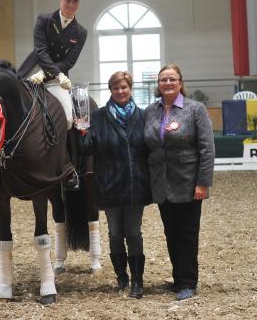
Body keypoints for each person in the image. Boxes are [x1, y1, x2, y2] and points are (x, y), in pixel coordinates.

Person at [77, 71, 151, 298]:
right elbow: (87, 148)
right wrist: (81, 131)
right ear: (111, 90)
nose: (121, 91)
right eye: (116, 88)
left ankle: (137, 281)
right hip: (109, 184)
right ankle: (122, 277)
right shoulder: (97, 117)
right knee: (115, 234)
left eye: (124, 87)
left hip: (134, 184)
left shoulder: (142, 115)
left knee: (134, 233)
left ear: (130, 89)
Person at [144, 64, 215, 301]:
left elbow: (207, 148)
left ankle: (188, 282)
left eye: (172, 79)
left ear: (181, 82)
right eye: (163, 80)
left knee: (187, 233)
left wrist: (203, 182)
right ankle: (178, 278)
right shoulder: (151, 110)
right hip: (161, 183)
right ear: (158, 84)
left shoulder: (196, 109)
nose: (167, 83)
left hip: (187, 181)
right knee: (171, 232)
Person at [18, 0, 88, 191]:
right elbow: (40, 50)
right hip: (32, 71)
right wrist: (46, 71)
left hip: (58, 80)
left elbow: (70, 61)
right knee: (14, 109)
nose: (71, 5)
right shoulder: (44, 20)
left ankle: (68, 166)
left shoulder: (80, 32)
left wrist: (52, 75)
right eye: (68, 0)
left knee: (68, 118)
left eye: (75, 1)